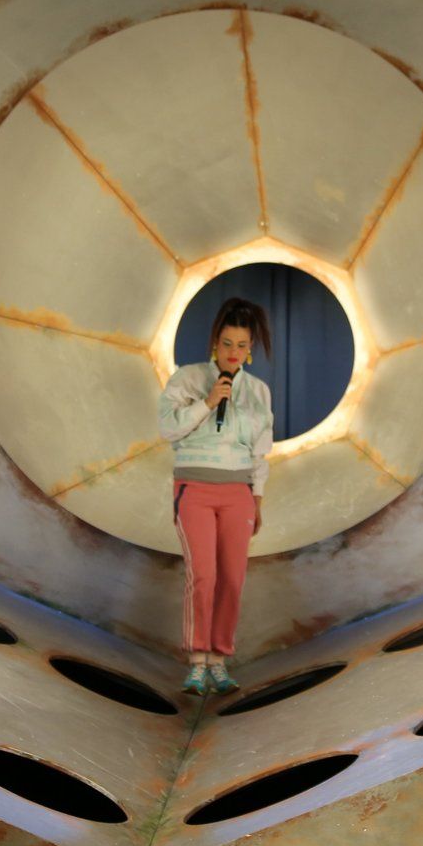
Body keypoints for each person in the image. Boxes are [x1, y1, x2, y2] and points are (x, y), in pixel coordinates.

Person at [158, 297, 274, 696]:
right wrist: (208, 402)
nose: (233, 353)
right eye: (227, 343)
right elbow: (167, 428)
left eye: (241, 345)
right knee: (203, 574)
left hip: (238, 491)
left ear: (250, 349)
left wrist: (256, 498)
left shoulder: (258, 391)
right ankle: (197, 661)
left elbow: (260, 451)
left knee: (232, 577)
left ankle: (220, 660)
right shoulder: (188, 379)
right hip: (194, 488)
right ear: (214, 343)